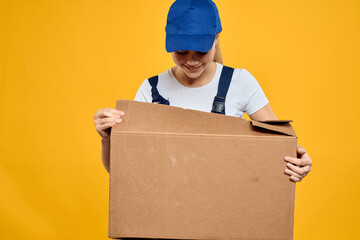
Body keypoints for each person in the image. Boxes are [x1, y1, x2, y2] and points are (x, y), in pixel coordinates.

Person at [93, 0, 312, 182]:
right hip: (165, 218)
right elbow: (121, 172)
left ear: (216, 38)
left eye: (200, 50)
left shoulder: (241, 82)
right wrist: (107, 138)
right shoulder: (150, 90)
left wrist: (299, 162)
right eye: (181, 51)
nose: (191, 60)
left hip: (225, 218)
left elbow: (280, 147)